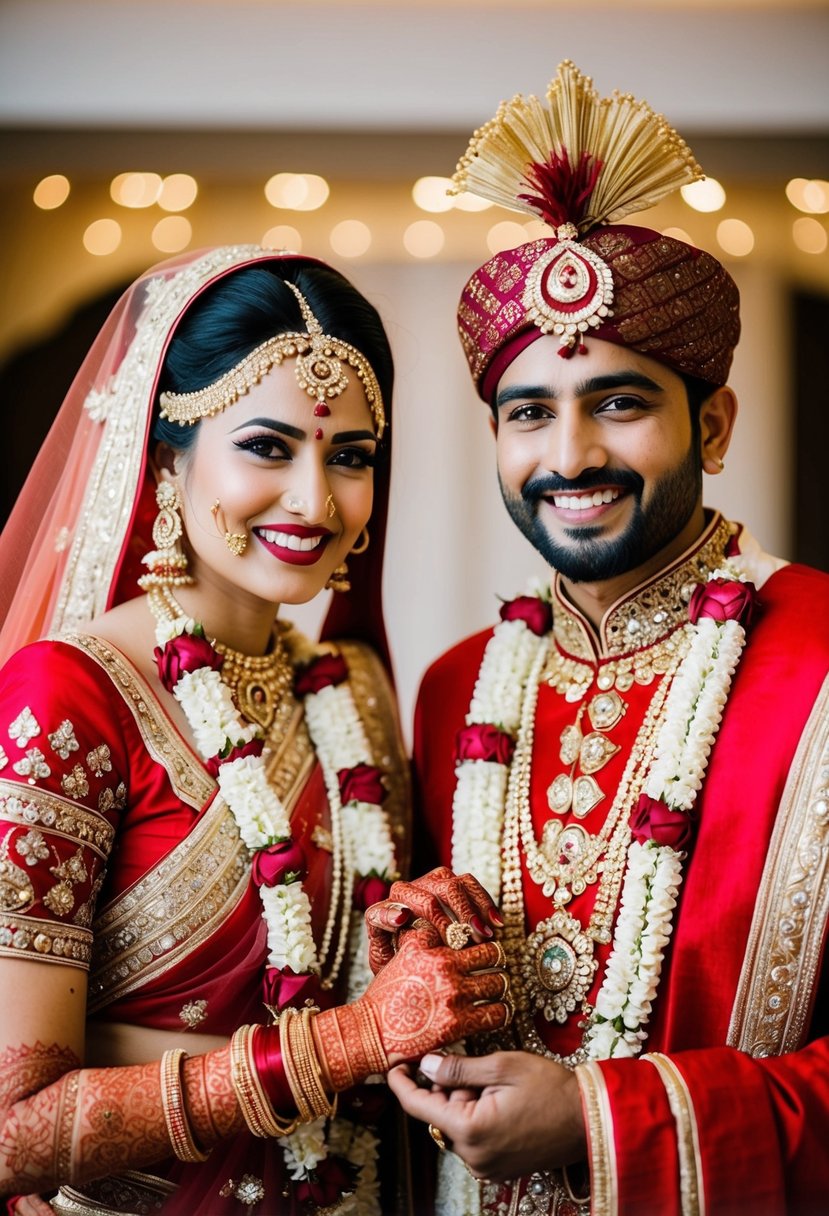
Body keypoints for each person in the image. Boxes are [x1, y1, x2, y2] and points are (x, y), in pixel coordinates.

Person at [387, 62, 829, 1215]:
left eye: (621, 403)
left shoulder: (821, 658)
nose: (569, 455)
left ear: (714, 423)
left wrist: (598, 1120)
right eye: (528, 413)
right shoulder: (453, 692)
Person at [0, 245, 511, 1216]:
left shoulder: (346, 690)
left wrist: (403, 935)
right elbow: (10, 1127)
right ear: (164, 457)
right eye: (268, 447)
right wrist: (347, 1043)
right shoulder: (70, 700)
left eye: (351, 456)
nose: (317, 502)